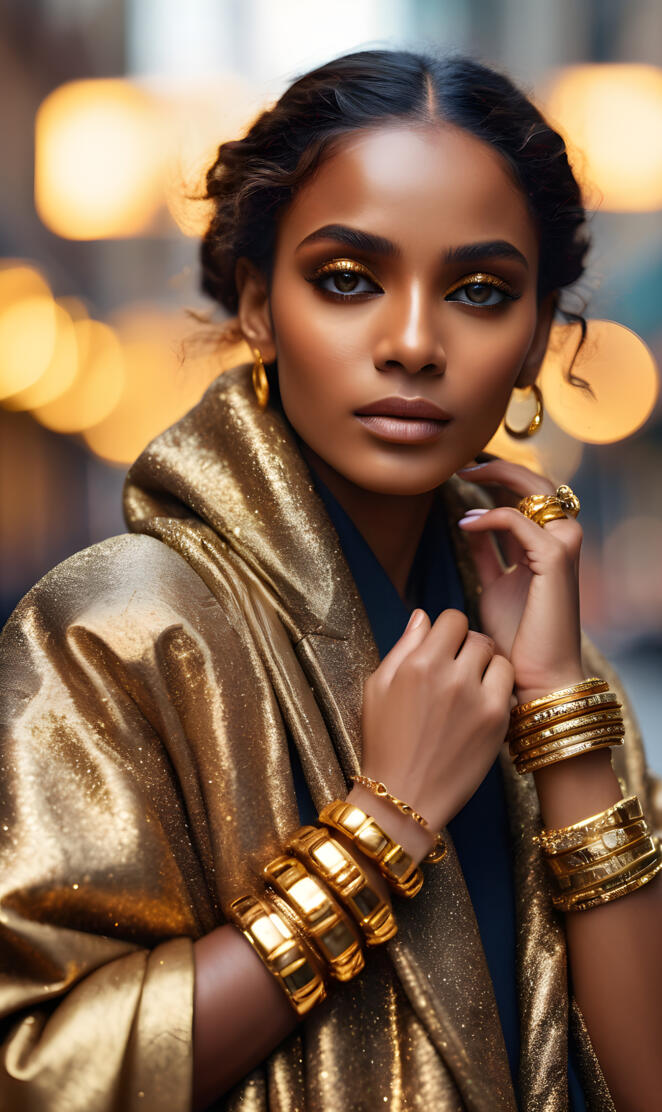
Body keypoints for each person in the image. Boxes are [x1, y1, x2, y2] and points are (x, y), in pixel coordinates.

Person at [0, 49, 660, 1112]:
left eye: (479, 291)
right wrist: (380, 827)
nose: (410, 342)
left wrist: (560, 715)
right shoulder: (123, 623)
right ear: (259, 305)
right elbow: (38, 1072)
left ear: (534, 337)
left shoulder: (558, 672)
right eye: (347, 278)